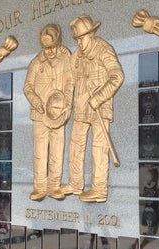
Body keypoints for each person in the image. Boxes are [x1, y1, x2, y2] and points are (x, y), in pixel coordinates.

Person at [58, 16, 125, 202]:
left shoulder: (104, 50)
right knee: (75, 146)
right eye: (76, 39)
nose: (79, 42)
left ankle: (99, 189)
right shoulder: (77, 55)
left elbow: (117, 76)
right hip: (81, 107)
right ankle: (75, 183)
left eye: (81, 37)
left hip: (99, 108)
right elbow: (70, 81)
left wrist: (100, 97)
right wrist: (66, 102)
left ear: (91, 34)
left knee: (98, 148)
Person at [22, 23, 74, 201]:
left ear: (58, 42)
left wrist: (67, 102)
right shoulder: (36, 62)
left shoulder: (66, 58)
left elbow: (70, 82)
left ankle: (54, 186)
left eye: (52, 47)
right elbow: (27, 87)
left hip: (58, 115)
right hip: (39, 115)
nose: (49, 51)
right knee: (40, 152)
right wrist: (36, 101)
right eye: (45, 48)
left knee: (57, 151)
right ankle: (39, 188)